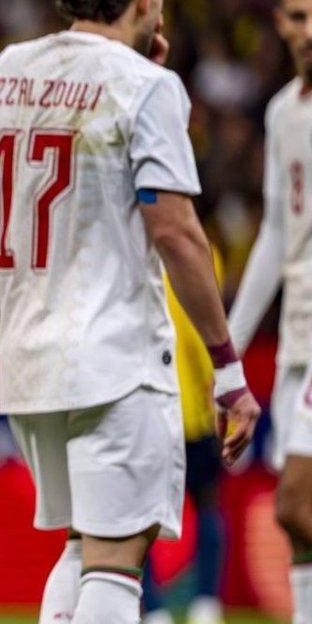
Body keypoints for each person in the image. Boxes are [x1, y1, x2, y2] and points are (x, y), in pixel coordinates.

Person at [0, 0, 260, 624]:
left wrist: (139, 74)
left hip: (29, 359)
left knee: (80, 545)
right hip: (112, 360)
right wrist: (226, 367)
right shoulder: (146, 88)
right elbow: (177, 233)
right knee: (116, 559)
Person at [228, 0, 312, 624]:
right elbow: (276, 236)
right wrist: (228, 345)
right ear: (280, 22)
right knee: (301, 526)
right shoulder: (284, 113)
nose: (309, 30)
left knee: (295, 504)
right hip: (294, 343)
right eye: (298, 16)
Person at [142, 260, 228, 624]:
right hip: (187, 408)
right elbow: (205, 331)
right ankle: (202, 603)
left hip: (153, 408)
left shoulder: (133, 246)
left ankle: (158, 609)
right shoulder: (203, 252)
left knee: (140, 513)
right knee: (203, 502)